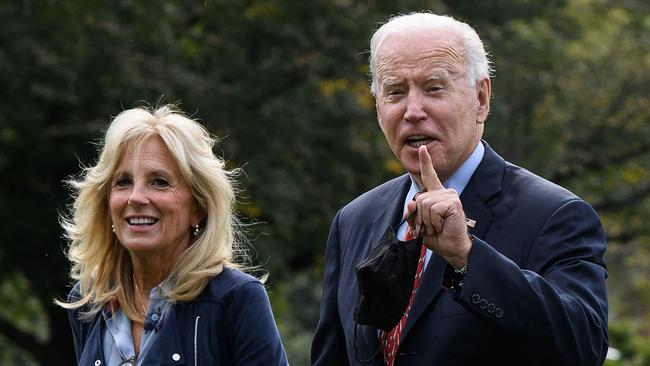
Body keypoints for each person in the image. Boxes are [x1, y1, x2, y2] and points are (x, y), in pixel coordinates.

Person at [312, 12, 608, 366]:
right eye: (395, 92)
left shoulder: (554, 215)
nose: (413, 111)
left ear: (481, 98)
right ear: (378, 107)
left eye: (434, 88)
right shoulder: (354, 220)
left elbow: (584, 347)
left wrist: (467, 257)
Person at [57, 105, 288, 365]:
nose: (135, 197)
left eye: (159, 182)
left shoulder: (237, 300)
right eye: (123, 182)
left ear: (198, 208)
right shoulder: (88, 300)